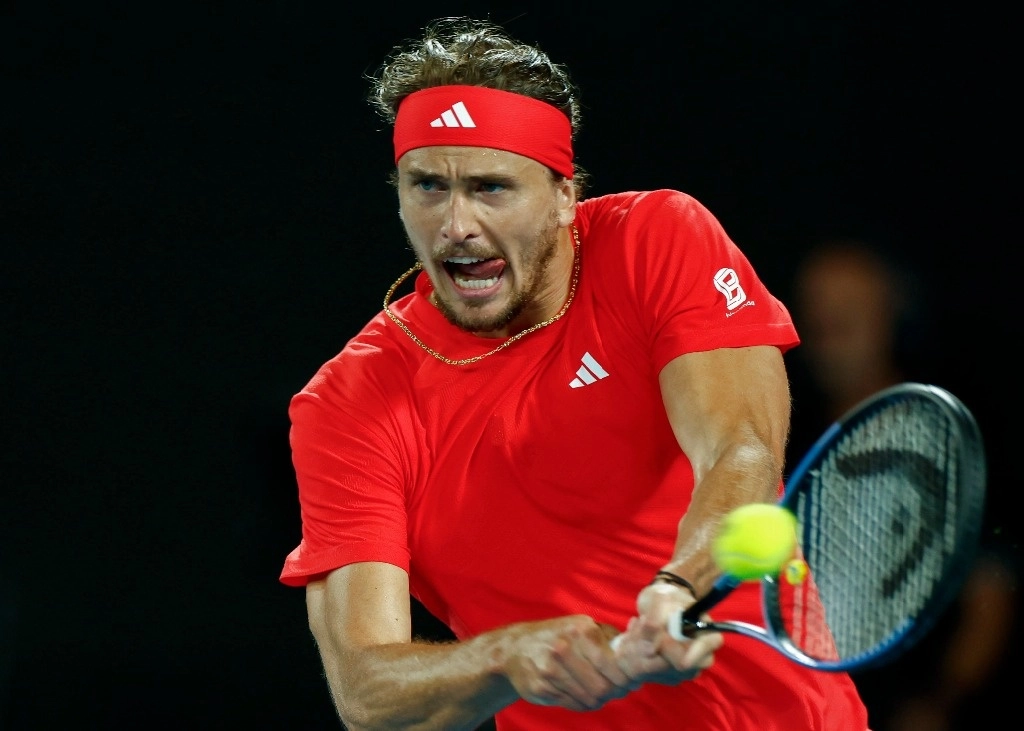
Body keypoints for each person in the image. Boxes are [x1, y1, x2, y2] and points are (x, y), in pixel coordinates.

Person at [279, 17, 869, 730]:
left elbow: (739, 447)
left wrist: (678, 586)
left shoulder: (657, 240)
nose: (454, 224)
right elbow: (365, 690)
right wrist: (506, 656)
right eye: (427, 185)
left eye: (491, 187)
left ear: (564, 195)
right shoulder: (349, 403)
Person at [786, 238, 1019, 731]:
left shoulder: (952, 433)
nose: (828, 330)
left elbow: (990, 591)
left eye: (847, 315)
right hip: (812, 707)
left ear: (892, 315)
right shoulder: (785, 438)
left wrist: (939, 702)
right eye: (818, 315)